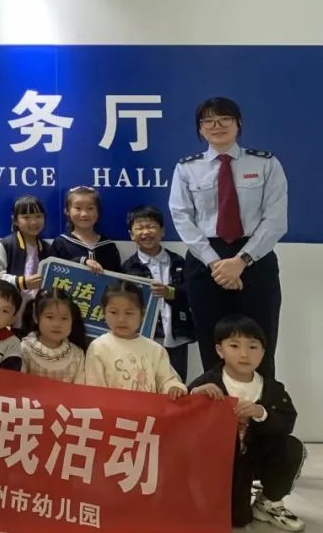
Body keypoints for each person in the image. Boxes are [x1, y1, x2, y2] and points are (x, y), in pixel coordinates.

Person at [169, 96, 287, 378]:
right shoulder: (187, 168)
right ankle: (219, 404)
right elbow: (182, 218)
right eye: (208, 121)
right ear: (200, 129)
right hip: (205, 262)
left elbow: (275, 220)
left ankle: (260, 405)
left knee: (259, 340)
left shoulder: (266, 164)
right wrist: (215, 263)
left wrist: (241, 260)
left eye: (224, 119)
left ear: (239, 123)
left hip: (255, 259)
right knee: (212, 343)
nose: (217, 125)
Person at [188, 315, 305, 532]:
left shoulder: (272, 388)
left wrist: (261, 413)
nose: (244, 354)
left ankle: (269, 501)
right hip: (219, 462)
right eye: (234, 346)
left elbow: (287, 421)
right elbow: (181, 417)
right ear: (220, 350)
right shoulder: (208, 382)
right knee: (238, 518)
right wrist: (194, 395)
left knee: (292, 447)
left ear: (263, 352)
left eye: (253, 347)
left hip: (257, 455)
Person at [122, 205, 195, 381]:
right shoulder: (128, 267)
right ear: (131, 235)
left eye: (151, 226)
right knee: (145, 382)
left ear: (162, 231)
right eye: (140, 228)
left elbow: (191, 295)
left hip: (176, 336)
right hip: (144, 337)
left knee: (177, 382)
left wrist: (169, 292)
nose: (146, 232)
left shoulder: (178, 261)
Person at [85, 280, 187, 397]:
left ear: (142, 314)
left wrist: (173, 387)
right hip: (111, 408)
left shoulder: (155, 349)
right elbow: (94, 390)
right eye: (113, 312)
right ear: (104, 313)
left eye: (129, 313)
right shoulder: (98, 347)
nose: (121, 319)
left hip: (148, 408)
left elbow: (167, 379)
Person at [0, 195, 52, 328]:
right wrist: (20, 282)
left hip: (39, 312)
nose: (33, 222)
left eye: (38, 216)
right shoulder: (6, 245)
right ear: (15, 220)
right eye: (26, 217)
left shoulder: (47, 248)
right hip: (12, 311)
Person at [20, 288, 87, 384]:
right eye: (50, 317)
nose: (57, 324)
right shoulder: (24, 349)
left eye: (64, 318)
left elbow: (79, 389)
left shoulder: (77, 354)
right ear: (36, 317)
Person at [49, 186, 120, 273]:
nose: (84, 214)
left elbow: (118, 278)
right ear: (67, 211)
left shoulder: (109, 246)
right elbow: (53, 274)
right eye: (78, 208)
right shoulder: (60, 244)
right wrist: (81, 261)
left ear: (98, 211)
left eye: (90, 208)